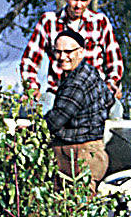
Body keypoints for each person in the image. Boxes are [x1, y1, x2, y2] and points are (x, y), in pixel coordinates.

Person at [20, 0, 123, 119]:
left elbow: (115, 62)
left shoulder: (100, 22)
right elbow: (29, 60)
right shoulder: (49, 21)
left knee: (115, 112)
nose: (78, 5)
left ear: (89, 0)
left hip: (93, 93)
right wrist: (32, 87)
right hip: (58, 92)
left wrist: (111, 84)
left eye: (83, 0)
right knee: (34, 112)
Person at [43, 29, 110, 189]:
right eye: (58, 52)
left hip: (80, 155)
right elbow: (110, 100)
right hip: (91, 151)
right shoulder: (90, 73)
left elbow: (56, 120)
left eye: (68, 51)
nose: (62, 56)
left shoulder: (76, 83)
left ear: (81, 52)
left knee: (77, 207)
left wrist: (31, 129)